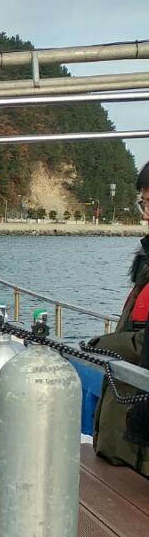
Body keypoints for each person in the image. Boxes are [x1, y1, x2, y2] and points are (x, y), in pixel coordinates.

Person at [89, 163, 149, 477]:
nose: (145, 215)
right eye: (144, 203)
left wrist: (102, 344)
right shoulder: (145, 261)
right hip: (125, 437)